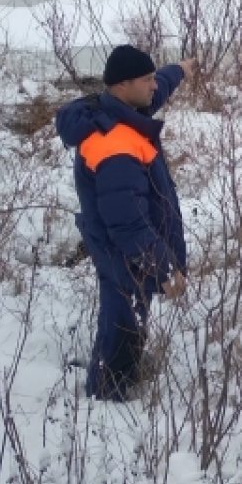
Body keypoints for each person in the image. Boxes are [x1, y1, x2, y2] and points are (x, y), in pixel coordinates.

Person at [55, 44, 197, 401]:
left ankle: (117, 371)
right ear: (123, 85)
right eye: (146, 80)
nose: (154, 87)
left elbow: (159, 85)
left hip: (120, 245)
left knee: (128, 309)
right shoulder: (115, 144)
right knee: (124, 317)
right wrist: (163, 269)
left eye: (153, 79)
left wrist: (178, 69)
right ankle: (109, 391)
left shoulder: (121, 110)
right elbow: (128, 223)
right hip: (123, 249)